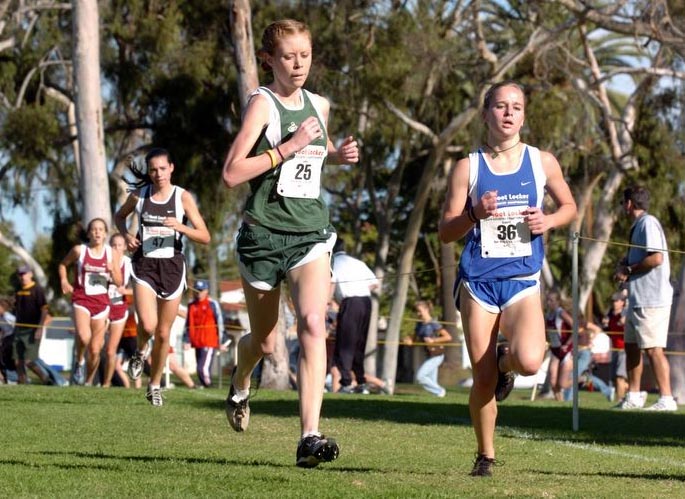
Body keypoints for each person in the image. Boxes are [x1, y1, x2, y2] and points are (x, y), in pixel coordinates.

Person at [221, 19, 359, 468]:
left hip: (309, 235)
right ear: (268, 60)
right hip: (262, 237)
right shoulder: (262, 105)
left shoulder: (319, 103)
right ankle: (241, 383)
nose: (298, 65)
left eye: (304, 55)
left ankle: (309, 437)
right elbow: (231, 173)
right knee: (263, 343)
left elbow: (316, 152)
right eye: (287, 57)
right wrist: (287, 146)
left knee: (314, 324)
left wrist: (337, 154)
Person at [438, 81, 577, 476]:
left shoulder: (541, 162)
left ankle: (505, 361)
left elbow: (570, 206)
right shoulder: (468, 167)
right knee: (482, 379)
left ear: (524, 115)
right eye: (501, 106)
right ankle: (486, 455)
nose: (509, 113)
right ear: (486, 114)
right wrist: (473, 216)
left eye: (516, 106)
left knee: (531, 361)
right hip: (478, 283)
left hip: (522, 279)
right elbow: (445, 231)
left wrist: (548, 220)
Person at [114, 148, 210, 406]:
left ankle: (154, 384)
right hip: (144, 266)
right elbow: (119, 216)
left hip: (172, 268)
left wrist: (181, 227)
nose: (158, 174)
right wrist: (125, 236)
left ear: (171, 168)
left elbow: (205, 235)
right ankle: (140, 351)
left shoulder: (182, 197)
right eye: (153, 169)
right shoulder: (140, 196)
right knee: (147, 325)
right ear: (149, 171)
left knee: (165, 334)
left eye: (162, 169)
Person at [613, 185, 676, 411]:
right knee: (631, 346)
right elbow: (637, 256)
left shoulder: (648, 223)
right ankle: (634, 395)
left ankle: (666, 399)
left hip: (652, 298)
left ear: (630, 203)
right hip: (638, 298)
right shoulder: (638, 226)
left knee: (653, 349)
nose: (623, 207)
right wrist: (624, 263)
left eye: (623, 203)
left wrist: (629, 269)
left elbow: (656, 258)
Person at [58, 218, 123, 386]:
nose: (97, 232)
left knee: (95, 349)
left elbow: (119, 281)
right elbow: (63, 265)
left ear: (105, 233)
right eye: (94, 229)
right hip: (82, 299)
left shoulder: (111, 254)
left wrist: (112, 270)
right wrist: (64, 281)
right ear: (88, 233)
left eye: (101, 229)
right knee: (84, 337)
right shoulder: (79, 251)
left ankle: (87, 382)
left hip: (102, 303)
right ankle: (79, 360)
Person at [330, 238, 379, 394]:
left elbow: (330, 286)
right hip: (365, 302)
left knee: (345, 344)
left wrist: (326, 304)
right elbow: (374, 284)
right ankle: (361, 382)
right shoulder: (357, 262)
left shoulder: (333, 263)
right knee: (359, 343)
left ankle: (346, 383)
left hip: (350, 302)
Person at [102, 233, 133, 388]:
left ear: (125, 247)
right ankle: (88, 380)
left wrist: (127, 292)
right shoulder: (103, 261)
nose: (116, 248)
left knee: (110, 351)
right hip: (102, 306)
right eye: (113, 245)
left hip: (119, 308)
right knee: (95, 346)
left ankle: (106, 384)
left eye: (119, 245)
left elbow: (141, 289)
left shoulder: (129, 263)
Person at [13, 265, 53, 385]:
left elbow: (45, 310)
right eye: (20, 274)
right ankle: (22, 382)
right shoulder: (18, 289)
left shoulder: (37, 289)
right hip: (19, 329)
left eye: (24, 274)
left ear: (30, 274)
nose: (22, 276)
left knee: (29, 360)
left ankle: (46, 380)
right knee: (17, 360)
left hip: (32, 330)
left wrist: (39, 328)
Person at [183, 279, 223, 388]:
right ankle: (205, 385)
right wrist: (186, 340)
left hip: (209, 341)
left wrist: (222, 341)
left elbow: (220, 323)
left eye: (201, 290)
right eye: (196, 290)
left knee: (202, 368)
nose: (198, 293)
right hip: (196, 342)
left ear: (206, 291)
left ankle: (209, 385)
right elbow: (188, 324)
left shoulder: (212, 304)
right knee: (201, 367)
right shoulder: (191, 305)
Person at [409, 300, 452, 397]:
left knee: (420, 377)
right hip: (429, 355)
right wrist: (409, 341)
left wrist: (434, 340)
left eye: (420, 311)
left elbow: (448, 337)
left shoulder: (433, 323)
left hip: (437, 355)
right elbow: (414, 340)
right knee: (432, 381)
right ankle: (439, 395)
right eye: (417, 311)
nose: (418, 313)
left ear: (427, 309)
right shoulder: (419, 325)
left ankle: (440, 391)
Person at [544, 289, 574, 401]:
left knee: (562, 384)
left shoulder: (560, 312)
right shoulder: (548, 315)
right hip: (555, 350)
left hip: (566, 350)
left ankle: (584, 379)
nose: (549, 303)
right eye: (548, 300)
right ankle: (559, 402)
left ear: (557, 301)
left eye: (551, 300)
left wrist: (567, 343)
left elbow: (575, 327)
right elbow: (548, 332)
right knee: (552, 380)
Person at [602, 291, 628, 401]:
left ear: (623, 302)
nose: (614, 303)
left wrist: (625, 323)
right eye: (613, 301)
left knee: (619, 376)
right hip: (615, 349)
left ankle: (619, 400)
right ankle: (636, 393)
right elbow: (610, 333)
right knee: (615, 377)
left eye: (617, 301)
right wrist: (605, 327)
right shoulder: (610, 315)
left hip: (625, 349)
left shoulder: (626, 315)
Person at [0, 297, 16, 384]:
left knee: (8, 359)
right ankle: (5, 378)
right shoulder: (1, 317)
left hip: (11, 339)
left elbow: (15, 327)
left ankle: (12, 378)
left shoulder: (9, 317)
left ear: (3, 307)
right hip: (5, 340)